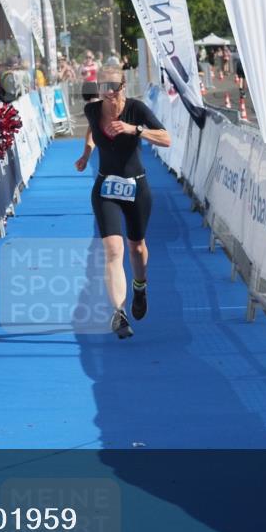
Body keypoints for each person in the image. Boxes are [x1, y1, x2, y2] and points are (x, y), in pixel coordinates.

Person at [74, 66, 171, 339]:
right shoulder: (93, 110)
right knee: (113, 250)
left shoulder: (136, 109)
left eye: (113, 87)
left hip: (136, 187)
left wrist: (134, 129)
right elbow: (92, 132)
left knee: (137, 248)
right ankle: (119, 312)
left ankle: (140, 288)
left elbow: (166, 138)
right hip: (105, 187)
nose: (107, 92)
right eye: (103, 85)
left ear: (123, 86)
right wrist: (86, 153)